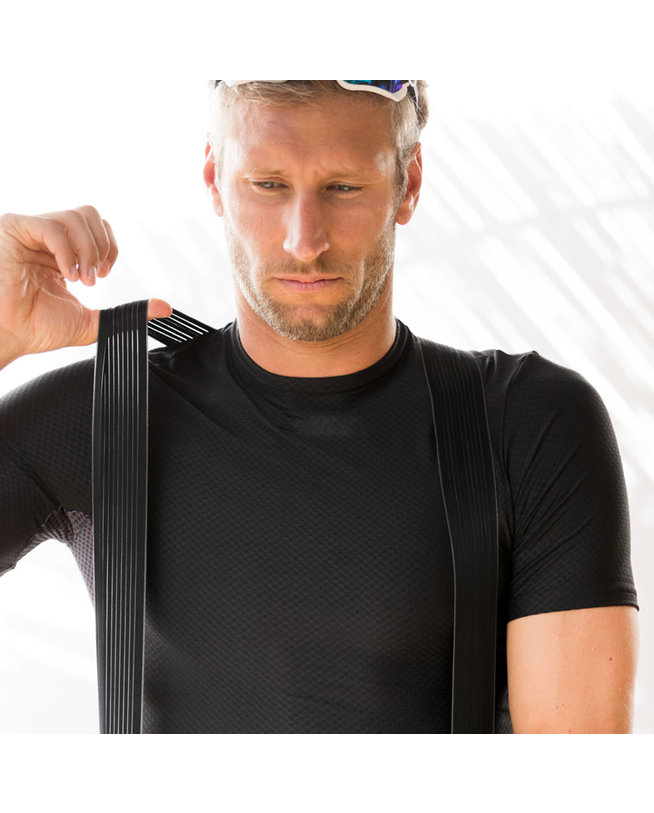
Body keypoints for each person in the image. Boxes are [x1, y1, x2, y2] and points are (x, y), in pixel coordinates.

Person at [0, 80, 639, 734]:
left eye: (343, 186)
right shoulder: (101, 417)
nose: (304, 241)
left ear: (409, 183)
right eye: (268, 184)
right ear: (215, 179)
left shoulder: (528, 424)